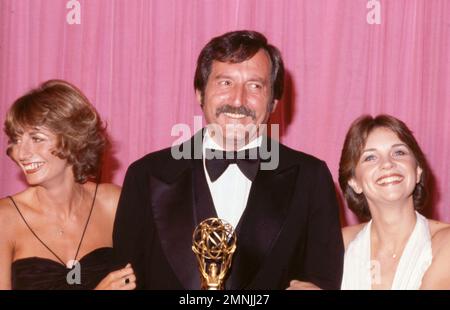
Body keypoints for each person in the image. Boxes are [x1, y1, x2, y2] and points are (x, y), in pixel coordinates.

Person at [113, 30, 344, 290]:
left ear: (274, 103)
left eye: (255, 86)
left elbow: (324, 280)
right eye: (225, 83)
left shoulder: (310, 178)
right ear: (199, 92)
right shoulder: (145, 175)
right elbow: (124, 281)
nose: (238, 100)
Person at [0, 80, 136, 290]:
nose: (21, 153)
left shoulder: (113, 203)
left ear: (73, 138)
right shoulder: (5, 218)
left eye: (36, 138)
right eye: (16, 140)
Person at [338, 114, 450, 289]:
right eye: (370, 157)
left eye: (399, 152)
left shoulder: (445, 242)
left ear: (418, 170)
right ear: (354, 182)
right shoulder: (340, 243)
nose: (388, 163)